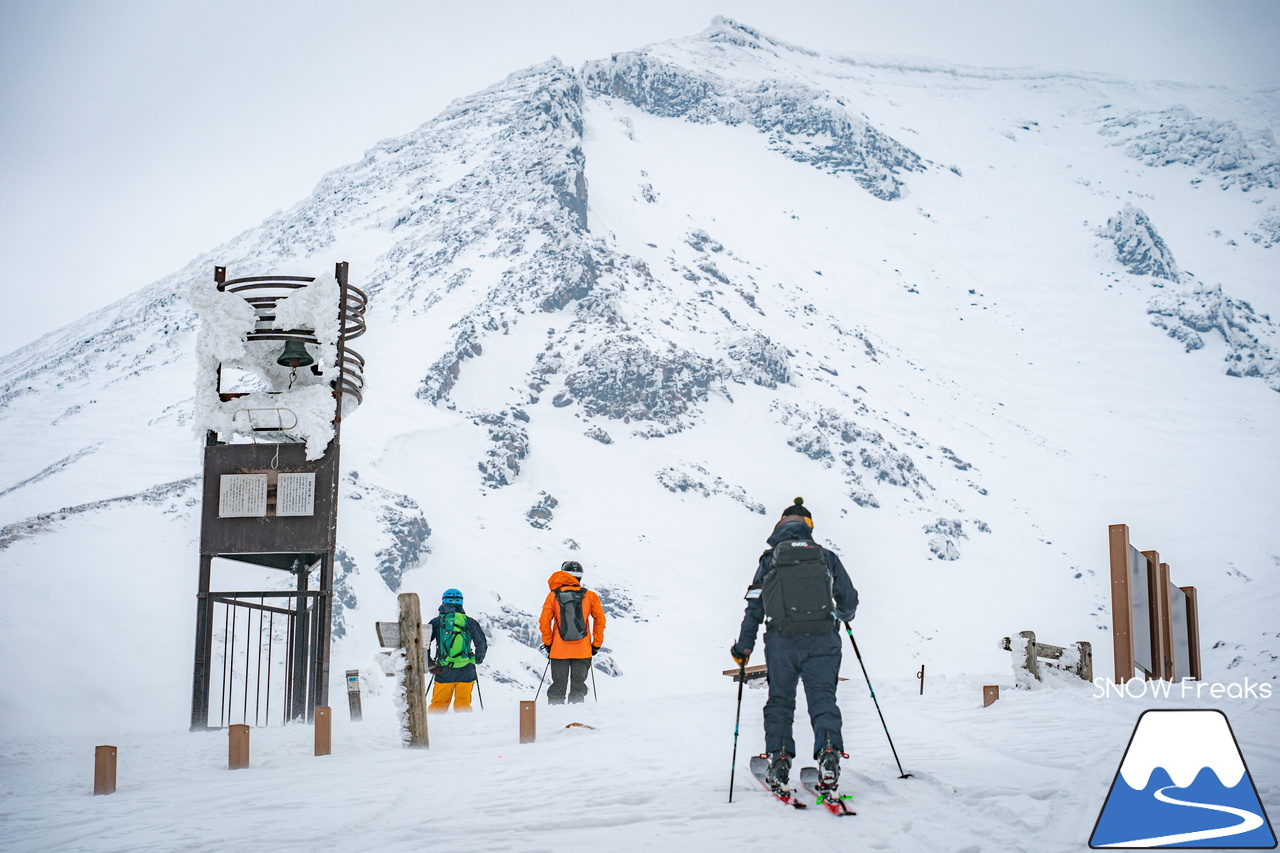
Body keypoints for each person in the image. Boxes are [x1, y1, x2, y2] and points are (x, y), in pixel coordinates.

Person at [730, 497, 858, 793]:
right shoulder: (825, 556)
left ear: (781, 526)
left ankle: (779, 760)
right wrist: (843, 616)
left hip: (781, 643)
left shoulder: (770, 559)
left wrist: (744, 646)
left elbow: (755, 606)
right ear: (808, 527)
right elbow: (848, 598)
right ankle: (829, 755)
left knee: (780, 702)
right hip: (824, 640)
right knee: (823, 700)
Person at [539, 560, 606, 704]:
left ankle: (556, 718)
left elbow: (544, 621)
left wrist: (549, 643)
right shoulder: (590, 596)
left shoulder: (553, 596)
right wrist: (596, 644)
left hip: (558, 650)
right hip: (583, 650)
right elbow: (600, 620)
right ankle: (576, 718)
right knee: (578, 688)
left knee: (558, 687)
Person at [426, 588, 488, 713]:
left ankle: (434, 730)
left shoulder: (436, 622)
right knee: (463, 704)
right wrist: (477, 659)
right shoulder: (470, 622)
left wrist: (430, 663)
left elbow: (423, 643)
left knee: (439, 705)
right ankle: (463, 730)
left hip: (443, 670)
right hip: (466, 670)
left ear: (443, 602)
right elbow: (481, 643)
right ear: (461, 603)